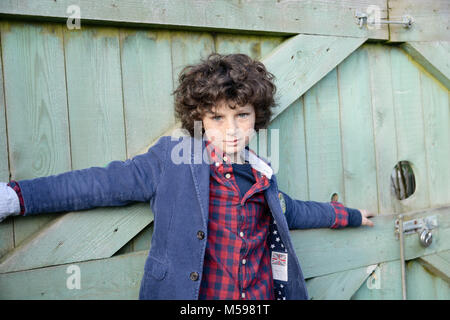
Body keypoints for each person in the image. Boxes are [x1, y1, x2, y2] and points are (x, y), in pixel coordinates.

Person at [0, 53, 374, 300]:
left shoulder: (261, 173)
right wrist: (16, 197)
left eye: (241, 115)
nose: (232, 130)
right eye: (217, 118)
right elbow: (97, 184)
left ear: (256, 117)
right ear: (199, 120)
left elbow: (293, 211)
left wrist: (351, 216)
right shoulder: (173, 161)